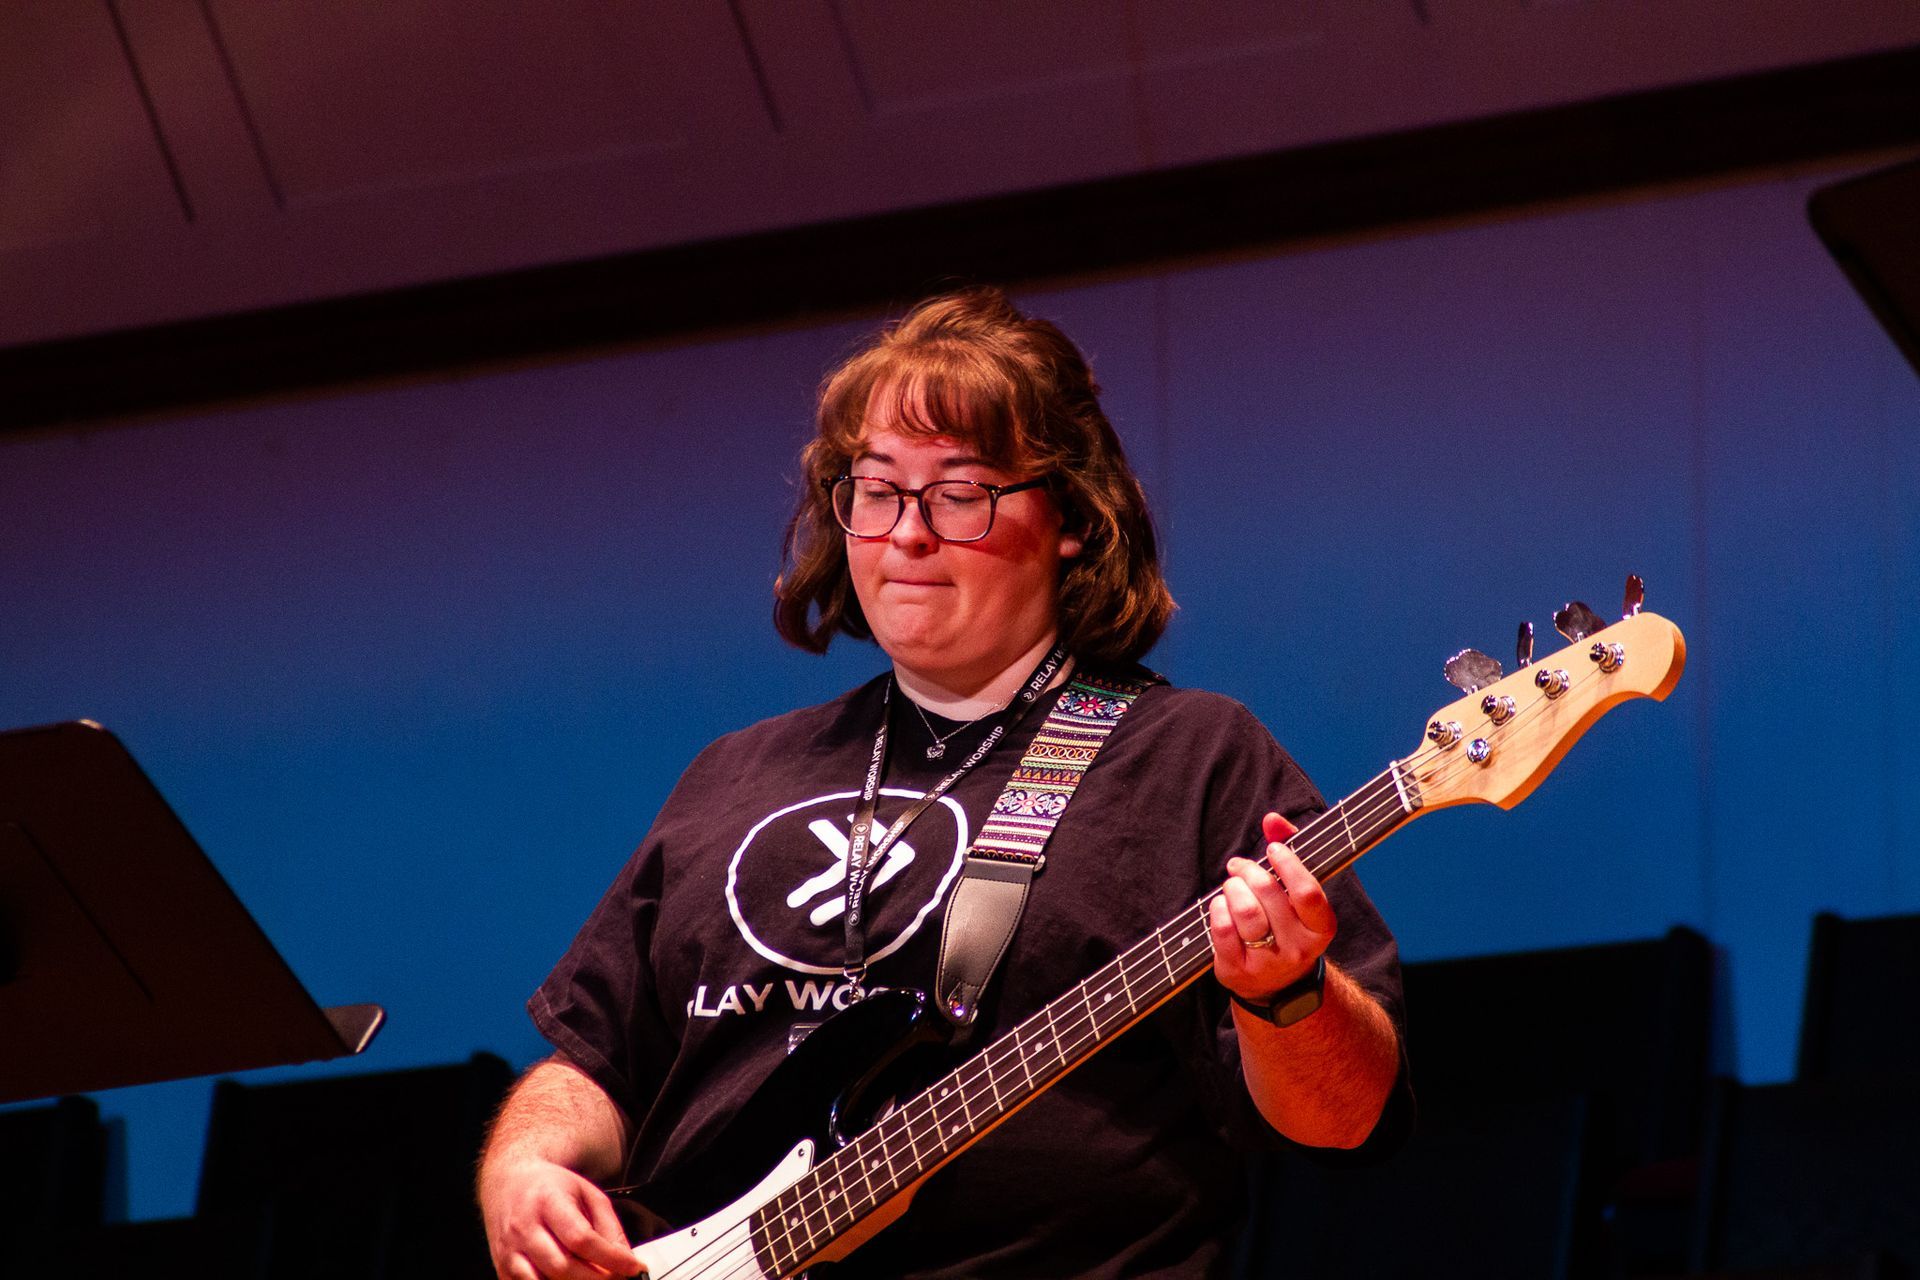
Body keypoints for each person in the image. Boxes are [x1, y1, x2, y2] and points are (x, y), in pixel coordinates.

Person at [477, 287, 1410, 1280]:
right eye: (876, 490)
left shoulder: (1187, 755)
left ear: (1073, 521)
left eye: (959, 493)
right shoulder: (733, 774)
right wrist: (525, 1164)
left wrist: (1288, 994)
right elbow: (592, 1064)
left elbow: (1343, 1114)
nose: (906, 533)